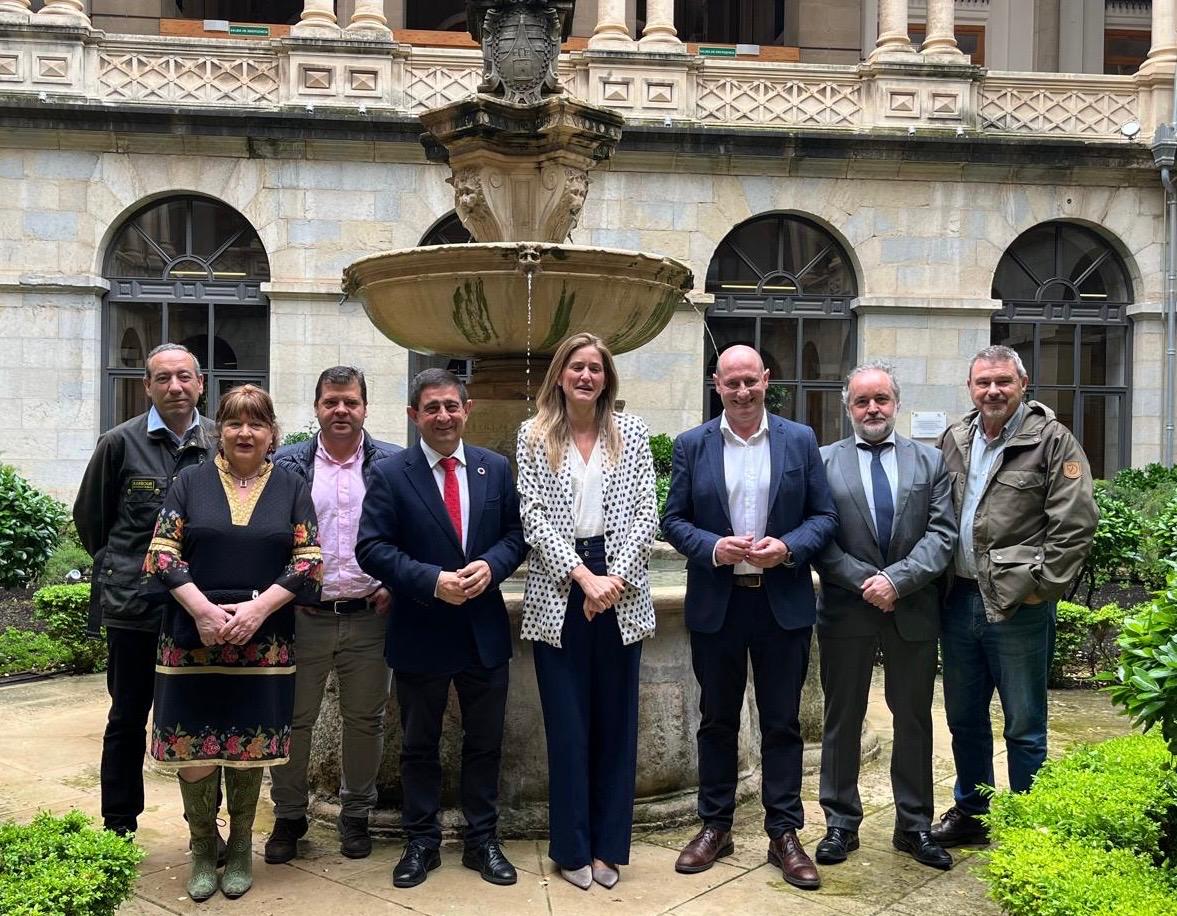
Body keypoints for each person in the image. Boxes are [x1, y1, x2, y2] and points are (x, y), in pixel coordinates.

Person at [662, 344, 837, 889]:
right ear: (716, 385)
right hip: (719, 602)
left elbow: (824, 516)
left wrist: (787, 548)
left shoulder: (799, 440)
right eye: (731, 383)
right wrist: (715, 546)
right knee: (716, 720)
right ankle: (716, 825)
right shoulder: (693, 445)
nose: (742, 392)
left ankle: (784, 832)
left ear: (767, 379)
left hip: (780, 602)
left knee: (782, 722)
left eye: (750, 382)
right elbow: (674, 520)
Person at [143, 385, 322, 902]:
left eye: (257, 423)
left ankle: (241, 843)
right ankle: (203, 846)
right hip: (189, 636)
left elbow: (309, 560)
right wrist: (200, 609)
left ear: (272, 433)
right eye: (235, 423)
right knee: (193, 741)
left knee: (247, 744)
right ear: (219, 430)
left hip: (263, 639)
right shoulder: (189, 482)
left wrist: (258, 609)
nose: (246, 433)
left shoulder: (291, 486)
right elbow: (161, 553)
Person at [356, 368, 527, 889]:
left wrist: (493, 567)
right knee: (419, 745)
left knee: (485, 743)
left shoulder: (494, 468)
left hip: (483, 630)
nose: (443, 416)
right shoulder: (390, 472)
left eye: (452, 406)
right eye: (432, 408)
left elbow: (517, 534)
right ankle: (421, 843)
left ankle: (482, 842)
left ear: (466, 409)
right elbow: (372, 547)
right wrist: (431, 580)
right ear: (414, 415)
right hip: (421, 628)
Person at [931, 345, 1097, 848]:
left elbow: (1075, 524)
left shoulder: (1052, 441)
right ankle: (973, 811)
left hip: (1017, 607)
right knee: (964, 717)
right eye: (983, 383)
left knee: (1024, 721)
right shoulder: (955, 438)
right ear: (970, 388)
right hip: (958, 600)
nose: (993, 391)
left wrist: (1038, 590)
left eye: (1003, 381)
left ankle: (1028, 822)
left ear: (1022, 385)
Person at [516, 333, 659, 891]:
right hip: (560, 586)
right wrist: (581, 577)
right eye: (576, 367)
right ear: (559, 375)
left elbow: (647, 511)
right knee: (568, 726)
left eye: (595, 368)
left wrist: (612, 580)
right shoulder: (533, 435)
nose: (585, 376)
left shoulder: (634, 435)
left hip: (620, 588)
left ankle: (607, 848)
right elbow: (531, 516)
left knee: (616, 725)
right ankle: (570, 846)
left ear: (607, 378)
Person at [813, 362, 956, 871]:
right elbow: (819, 539)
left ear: (896, 402)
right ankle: (839, 824)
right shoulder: (823, 461)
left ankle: (914, 825)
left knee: (914, 718)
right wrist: (865, 582)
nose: (872, 409)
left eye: (881, 400)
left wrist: (897, 580)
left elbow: (943, 536)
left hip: (912, 608)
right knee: (841, 718)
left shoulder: (930, 462)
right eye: (861, 401)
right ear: (847, 407)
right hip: (847, 609)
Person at [72, 343, 219, 839]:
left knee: (199, 719)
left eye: (184, 377)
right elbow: (91, 521)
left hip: (200, 609)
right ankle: (119, 825)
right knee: (128, 717)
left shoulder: (221, 444)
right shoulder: (118, 443)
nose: (175, 387)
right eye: (163, 378)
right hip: (135, 608)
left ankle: (204, 828)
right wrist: (128, 573)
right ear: (148, 386)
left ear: (201, 382)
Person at [265, 367, 400, 864]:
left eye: (350, 402)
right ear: (317, 407)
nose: (340, 410)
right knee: (292, 720)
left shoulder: (393, 463)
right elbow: (266, 534)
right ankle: (289, 816)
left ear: (365, 407)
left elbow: (408, 532)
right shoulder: (286, 464)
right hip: (302, 616)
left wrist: (395, 583)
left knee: (364, 721)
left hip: (370, 614)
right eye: (330, 402)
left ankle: (356, 816)